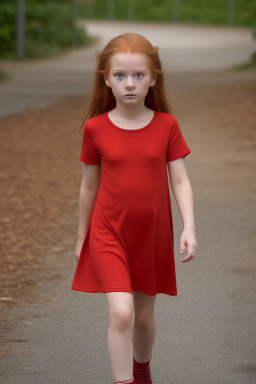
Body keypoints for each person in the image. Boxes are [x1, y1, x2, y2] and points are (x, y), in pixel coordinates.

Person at [71, 32, 197, 384]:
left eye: (138, 76)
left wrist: (189, 227)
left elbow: (181, 181)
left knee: (142, 318)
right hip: (108, 232)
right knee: (122, 314)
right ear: (107, 80)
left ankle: (142, 371)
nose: (129, 84)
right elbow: (89, 186)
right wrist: (82, 235)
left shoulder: (167, 126)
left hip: (151, 236)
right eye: (120, 76)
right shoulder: (95, 129)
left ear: (153, 78)